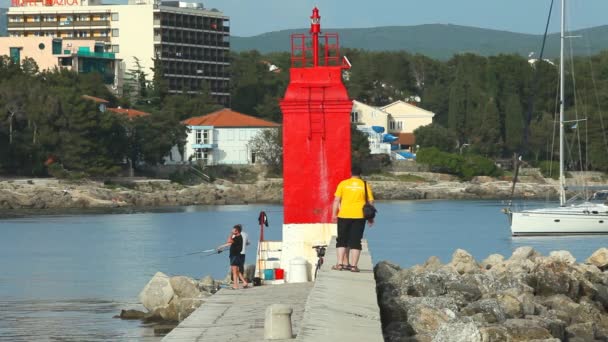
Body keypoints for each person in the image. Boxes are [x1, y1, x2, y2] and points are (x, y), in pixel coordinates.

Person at [331, 165, 374, 273]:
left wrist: (334, 214)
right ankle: (354, 266)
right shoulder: (364, 185)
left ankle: (340, 264)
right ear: (360, 173)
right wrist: (370, 218)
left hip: (344, 215)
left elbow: (336, 200)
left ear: (351, 173)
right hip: (359, 216)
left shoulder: (343, 184)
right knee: (356, 241)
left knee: (341, 240)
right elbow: (371, 201)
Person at [217, 224, 249, 289]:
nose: (232, 230)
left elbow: (229, 240)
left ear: (237, 231)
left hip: (235, 256)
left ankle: (235, 286)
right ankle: (244, 282)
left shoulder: (238, 237)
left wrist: (231, 234)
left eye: (233, 230)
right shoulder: (237, 237)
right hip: (236, 255)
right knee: (237, 271)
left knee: (234, 271)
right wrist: (221, 247)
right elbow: (230, 243)